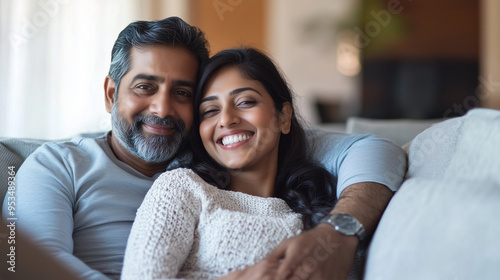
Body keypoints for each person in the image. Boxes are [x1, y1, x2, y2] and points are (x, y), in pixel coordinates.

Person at [2, 17, 406, 280]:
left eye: (182, 93)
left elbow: (378, 151)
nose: (162, 109)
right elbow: (24, 265)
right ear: (111, 93)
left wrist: (337, 234)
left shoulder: (219, 150)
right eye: (145, 87)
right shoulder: (58, 164)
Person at [121, 47, 338, 279]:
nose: (226, 119)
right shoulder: (182, 188)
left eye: (245, 102)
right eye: (210, 110)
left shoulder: (323, 208)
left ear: (284, 117)